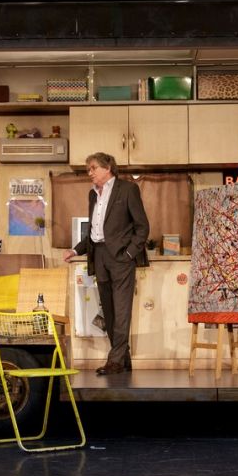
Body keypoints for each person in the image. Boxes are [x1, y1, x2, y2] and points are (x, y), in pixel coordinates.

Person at [64, 152, 149, 375]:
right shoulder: (92, 194)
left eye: (93, 168)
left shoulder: (127, 189)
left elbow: (142, 227)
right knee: (109, 311)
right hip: (99, 256)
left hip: (121, 258)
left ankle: (115, 360)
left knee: (121, 310)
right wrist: (75, 250)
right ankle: (123, 358)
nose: (89, 173)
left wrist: (129, 253)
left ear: (108, 167)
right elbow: (94, 231)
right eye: (88, 169)